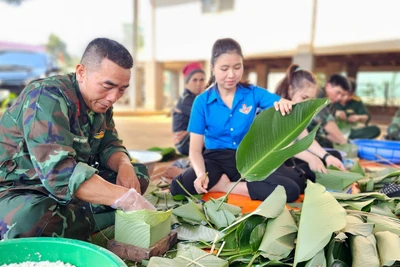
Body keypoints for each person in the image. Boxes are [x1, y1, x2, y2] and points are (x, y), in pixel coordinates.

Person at [0, 38, 154, 241]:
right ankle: (100, 218)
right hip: (20, 189)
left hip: (70, 189)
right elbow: (60, 174)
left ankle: (77, 219)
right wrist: (124, 199)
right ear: (81, 72)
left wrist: (125, 165)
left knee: (138, 175)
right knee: (31, 220)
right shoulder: (46, 97)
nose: (113, 97)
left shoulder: (100, 103)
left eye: (122, 89)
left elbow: (110, 145)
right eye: (108, 86)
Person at [170, 38, 307, 203]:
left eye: (237, 67)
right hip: (215, 160)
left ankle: (226, 186)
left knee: (294, 188)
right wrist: (200, 174)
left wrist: (284, 103)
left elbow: (279, 102)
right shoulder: (201, 102)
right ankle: (231, 184)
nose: (231, 75)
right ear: (213, 69)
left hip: (249, 159)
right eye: (224, 68)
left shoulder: (252, 93)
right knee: (178, 188)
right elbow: (195, 151)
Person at [275, 64, 346, 181]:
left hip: (292, 156)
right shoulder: (278, 108)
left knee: (334, 157)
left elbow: (307, 140)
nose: (306, 103)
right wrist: (310, 158)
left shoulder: (298, 111)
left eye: (310, 100)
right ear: (290, 89)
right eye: (304, 98)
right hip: (277, 160)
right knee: (297, 180)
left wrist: (327, 156)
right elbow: (284, 146)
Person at [307, 73, 352, 148]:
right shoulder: (316, 95)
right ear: (328, 86)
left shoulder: (332, 102)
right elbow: (328, 123)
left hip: (316, 136)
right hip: (301, 137)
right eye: (338, 92)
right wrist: (344, 142)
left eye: (342, 95)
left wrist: (342, 141)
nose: (339, 97)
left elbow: (327, 132)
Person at [172, 62, 206, 156]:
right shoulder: (186, 99)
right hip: (184, 142)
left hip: (191, 136)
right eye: (194, 80)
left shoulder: (198, 98)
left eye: (201, 80)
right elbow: (207, 118)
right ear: (187, 83)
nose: (199, 83)